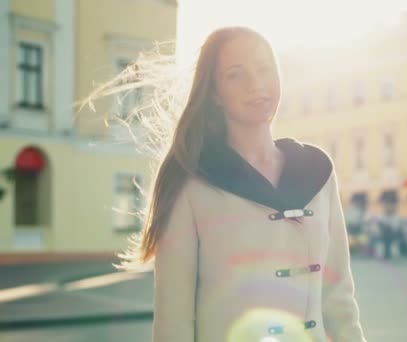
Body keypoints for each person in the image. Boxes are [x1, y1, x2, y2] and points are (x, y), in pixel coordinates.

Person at [101, 27, 366, 341]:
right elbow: (174, 325)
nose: (256, 84)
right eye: (235, 75)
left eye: (264, 69)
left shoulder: (318, 172)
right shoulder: (190, 184)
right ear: (214, 93)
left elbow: (339, 302)